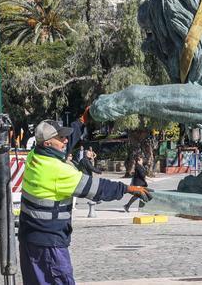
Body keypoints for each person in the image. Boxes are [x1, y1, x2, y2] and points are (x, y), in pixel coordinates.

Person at [20, 120, 151, 285]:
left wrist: (82, 121)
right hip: (50, 244)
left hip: (29, 239)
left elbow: (64, 146)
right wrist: (128, 189)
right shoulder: (58, 171)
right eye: (60, 138)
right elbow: (98, 188)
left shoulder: (34, 156)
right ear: (47, 143)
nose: (65, 141)